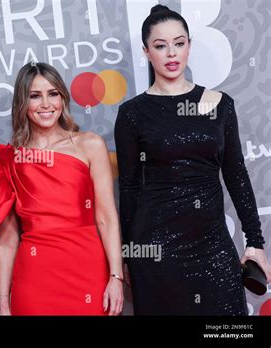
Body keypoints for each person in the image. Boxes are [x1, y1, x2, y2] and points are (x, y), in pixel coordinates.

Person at [114, 5, 270, 315]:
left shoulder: (218, 104)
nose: (171, 53)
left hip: (213, 247)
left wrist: (255, 241)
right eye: (160, 46)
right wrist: (128, 256)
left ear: (189, 46)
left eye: (179, 42)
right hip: (157, 252)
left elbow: (236, 175)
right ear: (147, 52)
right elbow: (129, 189)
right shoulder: (132, 114)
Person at [0, 62, 124, 315]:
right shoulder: (11, 160)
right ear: (23, 103)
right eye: (35, 96)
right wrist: (3, 305)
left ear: (62, 98)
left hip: (88, 272)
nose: (46, 104)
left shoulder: (90, 145)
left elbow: (107, 218)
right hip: (34, 279)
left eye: (52, 94)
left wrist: (116, 277)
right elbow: (8, 240)